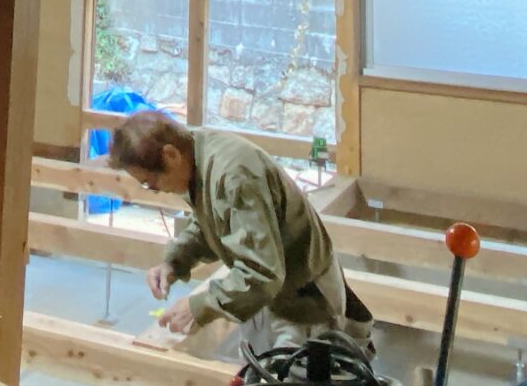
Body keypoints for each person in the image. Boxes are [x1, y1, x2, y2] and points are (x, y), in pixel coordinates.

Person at [109, 110, 369, 350]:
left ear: (170, 155)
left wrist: (198, 305)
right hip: (273, 294)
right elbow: (214, 222)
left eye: (150, 182)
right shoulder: (195, 152)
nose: (154, 190)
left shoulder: (235, 176)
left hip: (306, 299)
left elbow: (262, 272)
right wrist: (174, 262)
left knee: (303, 380)